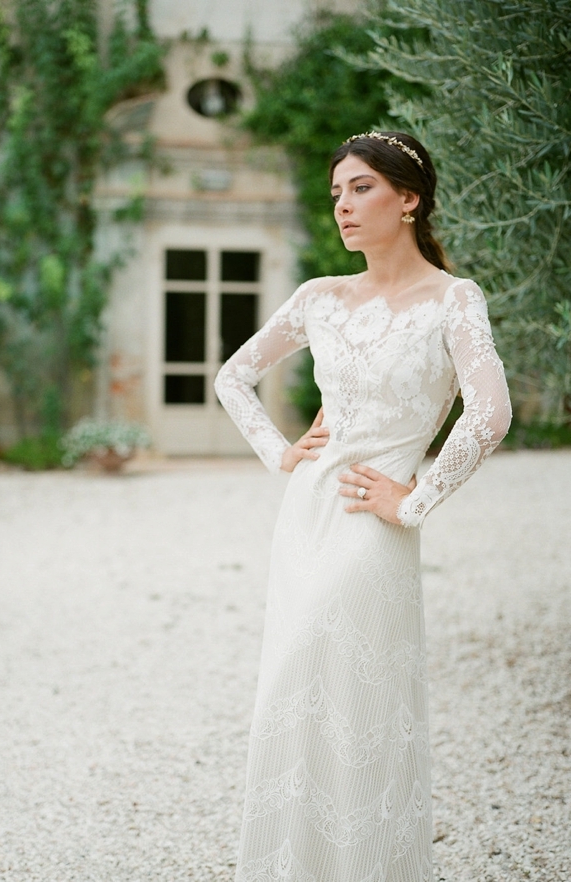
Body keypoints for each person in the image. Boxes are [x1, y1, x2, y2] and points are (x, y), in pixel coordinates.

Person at [214, 131, 512, 881]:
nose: (343, 205)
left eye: (362, 188)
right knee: (296, 689)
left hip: (376, 521)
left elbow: (491, 412)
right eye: (337, 192)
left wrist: (417, 499)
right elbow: (232, 377)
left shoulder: (453, 299)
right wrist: (281, 453)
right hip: (309, 511)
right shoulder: (320, 298)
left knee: (361, 705)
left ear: (408, 198)